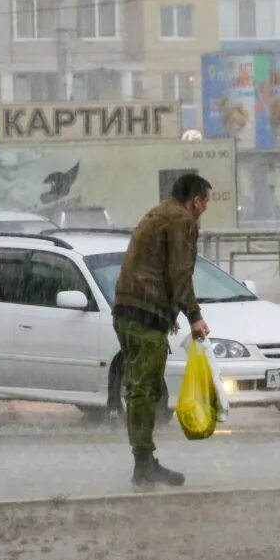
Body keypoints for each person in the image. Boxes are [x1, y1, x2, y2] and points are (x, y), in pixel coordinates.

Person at [114, 174, 212, 489]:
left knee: (140, 388)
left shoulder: (159, 213)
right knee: (144, 391)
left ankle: (144, 461)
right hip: (145, 315)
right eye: (205, 202)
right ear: (195, 200)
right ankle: (143, 465)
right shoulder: (182, 220)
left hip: (127, 310)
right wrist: (194, 316)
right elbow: (179, 272)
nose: (204, 209)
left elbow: (157, 267)